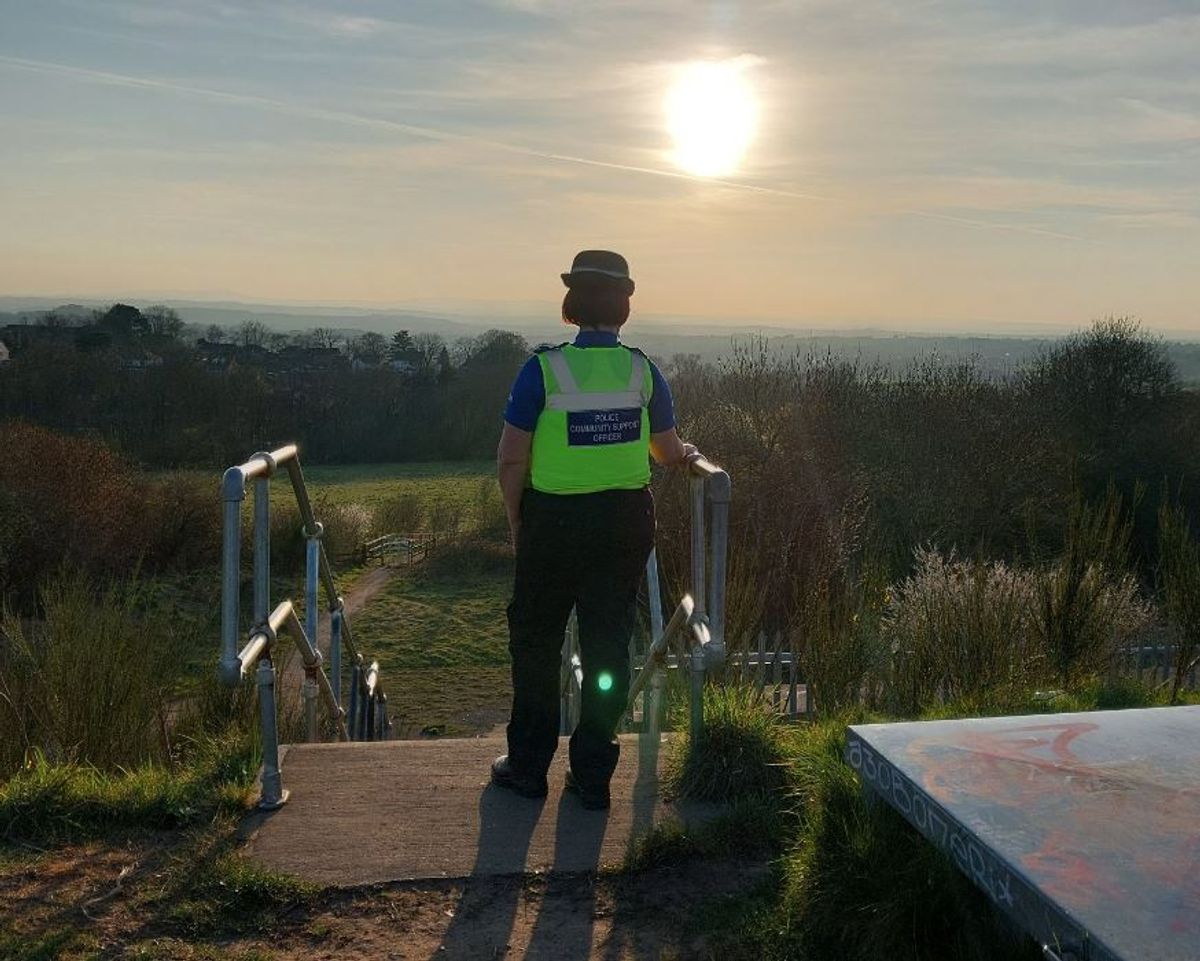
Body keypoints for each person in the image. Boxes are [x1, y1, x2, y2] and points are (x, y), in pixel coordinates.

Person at [491, 249, 697, 810]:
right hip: (624, 523)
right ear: (624, 307)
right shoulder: (642, 370)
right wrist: (688, 456)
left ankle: (529, 769)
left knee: (535, 646)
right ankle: (593, 776)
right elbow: (667, 449)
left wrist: (518, 520)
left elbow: (512, 459)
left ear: (571, 304)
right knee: (608, 648)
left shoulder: (542, 370)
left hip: (552, 524)